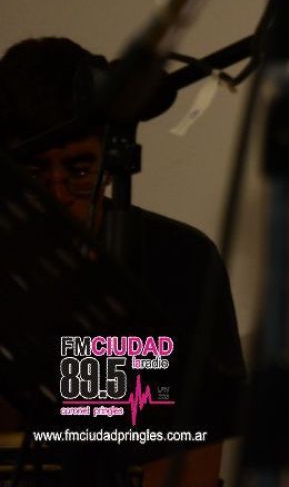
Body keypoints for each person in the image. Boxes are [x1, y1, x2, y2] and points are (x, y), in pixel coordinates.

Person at [0, 36, 246, 486]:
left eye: (78, 171)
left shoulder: (181, 259)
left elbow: (191, 460)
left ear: (109, 164)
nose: (56, 198)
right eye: (33, 174)